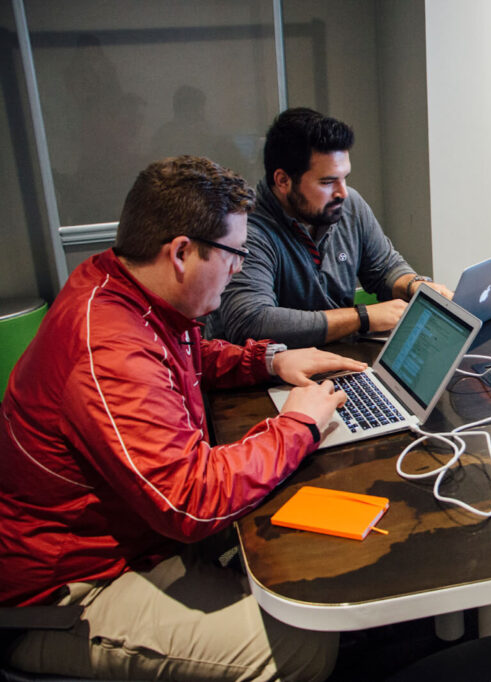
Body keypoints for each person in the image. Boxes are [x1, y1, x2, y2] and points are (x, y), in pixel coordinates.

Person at [0, 156, 366, 680]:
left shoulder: (123, 288)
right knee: (301, 647)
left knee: (302, 547)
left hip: (134, 540)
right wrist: (297, 425)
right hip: (65, 594)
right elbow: (192, 503)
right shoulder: (109, 350)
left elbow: (183, 357)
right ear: (180, 253)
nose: (240, 267)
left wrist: (267, 360)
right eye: (235, 254)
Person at [212, 107, 452, 348]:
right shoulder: (246, 230)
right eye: (327, 182)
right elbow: (250, 323)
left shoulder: (348, 206)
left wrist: (413, 284)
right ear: (283, 181)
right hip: (272, 378)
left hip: (336, 360)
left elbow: (384, 268)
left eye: (344, 177)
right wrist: (362, 318)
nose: (342, 192)